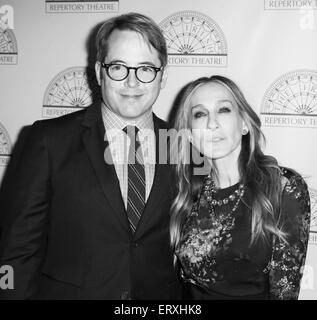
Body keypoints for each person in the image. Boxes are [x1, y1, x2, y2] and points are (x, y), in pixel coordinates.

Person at [0, 13, 182, 299]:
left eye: (145, 68)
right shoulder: (48, 141)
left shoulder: (184, 147)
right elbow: (15, 250)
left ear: (163, 75)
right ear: (99, 71)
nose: (132, 82)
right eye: (118, 67)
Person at [170, 75, 311, 300]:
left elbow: (284, 292)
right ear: (189, 134)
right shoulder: (186, 193)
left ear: (244, 123)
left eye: (223, 110)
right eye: (199, 114)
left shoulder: (282, 188)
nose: (211, 123)